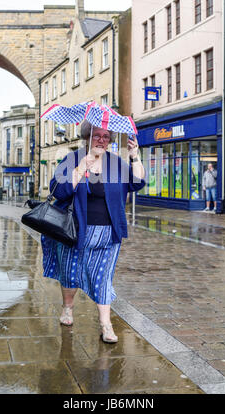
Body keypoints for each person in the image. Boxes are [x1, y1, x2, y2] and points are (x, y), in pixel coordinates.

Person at [41, 120, 145, 344]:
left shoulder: (116, 163)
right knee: (70, 273)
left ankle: (106, 324)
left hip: (108, 233)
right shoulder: (73, 159)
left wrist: (134, 155)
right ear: (87, 136)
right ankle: (68, 308)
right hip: (75, 232)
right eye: (97, 135)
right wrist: (81, 167)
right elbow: (58, 190)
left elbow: (138, 182)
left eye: (106, 136)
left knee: (103, 278)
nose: (101, 140)